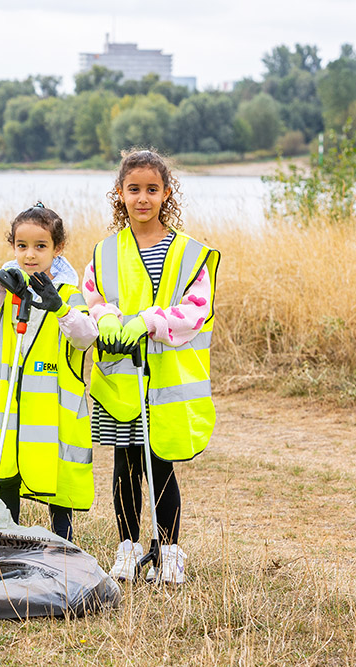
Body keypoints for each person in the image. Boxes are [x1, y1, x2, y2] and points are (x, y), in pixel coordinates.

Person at [82, 149, 220, 585]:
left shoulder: (189, 252)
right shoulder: (105, 251)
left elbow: (196, 310)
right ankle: (128, 548)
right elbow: (92, 296)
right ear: (119, 194)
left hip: (166, 383)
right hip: (121, 381)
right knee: (125, 465)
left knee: (161, 464)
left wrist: (148, 321)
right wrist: (105, 317)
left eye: (152, 189)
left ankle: (170, 552)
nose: (143, 198)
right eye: (133, 189)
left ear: (167, 193)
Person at [0, 203, 98, 540]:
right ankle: (7, 542)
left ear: (58, 248)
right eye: (21, 246)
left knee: (57, 483)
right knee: (7, 473)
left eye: (40, 246)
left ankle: (62, 545)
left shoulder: (67, 292)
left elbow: (85, 337)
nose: (30, 255)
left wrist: (60, 308)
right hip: (8, 409)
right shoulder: (7, 287)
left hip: (52, 414)